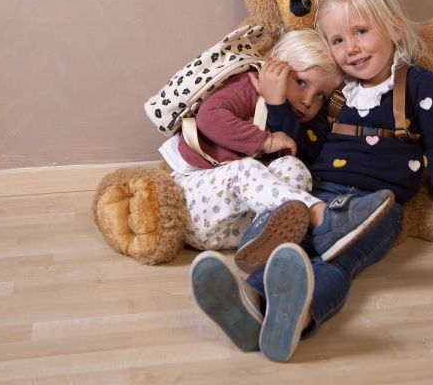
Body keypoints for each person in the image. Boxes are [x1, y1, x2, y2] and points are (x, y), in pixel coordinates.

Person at [189, 0, 433, 362]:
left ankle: (298, 318)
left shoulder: (418, 86)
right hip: (318, 195)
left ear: (394, 27)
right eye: (338, 40)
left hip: (375, 208)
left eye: (361, 31)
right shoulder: (337, 94)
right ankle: (251, 302)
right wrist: (277, 105)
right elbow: (303, 151)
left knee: (338, 262)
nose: (351, 48)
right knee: (291, 247)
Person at [160, 27, 394, 269]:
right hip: (196, 207)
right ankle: (322, 216)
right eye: (301, 82)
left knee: (294, 168)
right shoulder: (247, 85)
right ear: (274, 68)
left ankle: (265, 245)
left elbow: (306, 152)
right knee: (246, 170)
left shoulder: (311, 119)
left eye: (320, 96)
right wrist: (266, 141)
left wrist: (277, 105)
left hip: (241, 227)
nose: (308, 100)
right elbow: (209, 119)